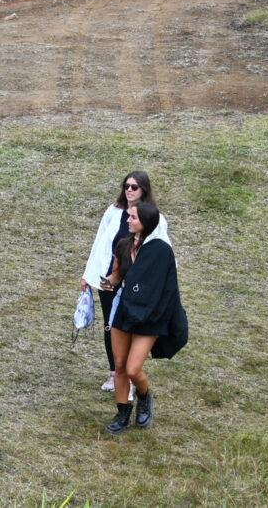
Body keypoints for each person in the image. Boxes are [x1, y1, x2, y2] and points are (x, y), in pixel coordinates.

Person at [80, 171, 171, 397]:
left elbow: (165, 254)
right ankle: (115, 373)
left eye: (135, 187)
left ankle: (129, 379)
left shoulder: (155, 219)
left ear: (144, 191)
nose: (129, 190)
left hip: (136, 286)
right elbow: (100, 242)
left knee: (129, 328)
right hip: (111, 280)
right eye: (127, 186)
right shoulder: (113, 212)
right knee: (111, 327)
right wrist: (88, 275)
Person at [103, 201, 184, 434]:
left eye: (133, 218)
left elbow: (166, 287)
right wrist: (109, 282)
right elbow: (117, 274)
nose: (128, 220)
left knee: (132, 369)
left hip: (149, 317)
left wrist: (158, 314)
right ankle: (122, 413)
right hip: (125, 310)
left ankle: (145, 397)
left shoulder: (161, 250)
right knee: (119, 366)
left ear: (146, 223)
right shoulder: (123, 244)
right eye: (128, 216)